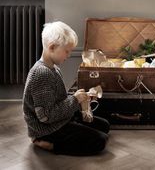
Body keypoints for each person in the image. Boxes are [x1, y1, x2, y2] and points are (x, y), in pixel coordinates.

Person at [23, 21, 110, 156]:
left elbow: (59, 99)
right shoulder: (42, 74)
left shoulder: (53, 68)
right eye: (67, 51)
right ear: (52, 47)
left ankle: (71, 128)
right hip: (47, 129)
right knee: (100, 141)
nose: (69, 55)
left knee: (104, 125)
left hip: (59, 118)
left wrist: (78, 97)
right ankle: (50, 144)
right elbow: (46, 116)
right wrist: (74, 100)